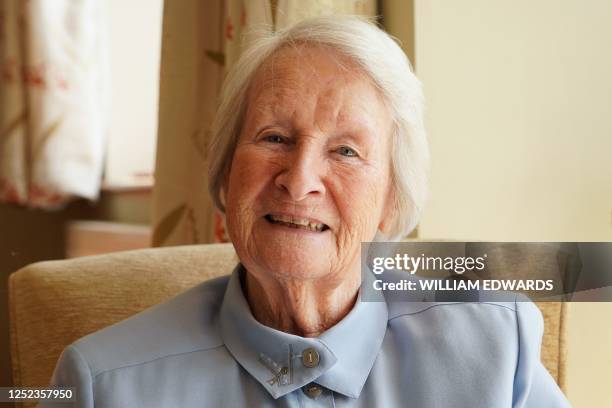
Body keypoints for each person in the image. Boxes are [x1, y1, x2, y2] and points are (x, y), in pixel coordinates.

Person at [45, 16, 569, 407]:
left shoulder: (496, 346)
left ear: (391, 200)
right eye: (274, 138)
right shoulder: (103, 382)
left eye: (345, 151)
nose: (298, 181)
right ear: (228, 172)